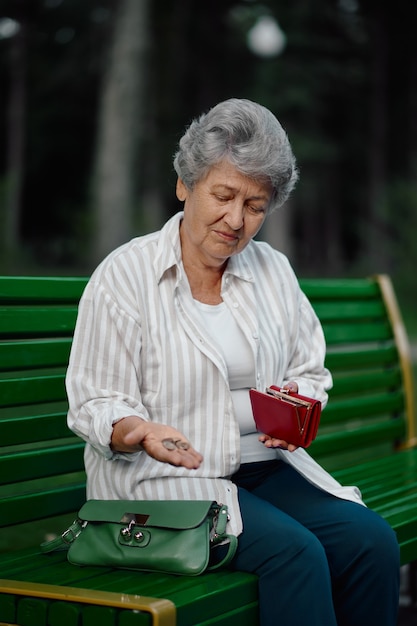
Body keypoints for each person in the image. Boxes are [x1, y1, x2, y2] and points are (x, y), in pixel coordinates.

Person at [66, 98, 400, 626]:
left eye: (256, 205)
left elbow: (308, 370)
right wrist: (140, 430)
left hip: (265, 470)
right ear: (185, 185)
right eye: (223, 195)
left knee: (371, 542)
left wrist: (297, 411)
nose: (236, 219)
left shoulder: (272, 270)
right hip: (162, 482)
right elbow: (94, 400)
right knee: (296, 555)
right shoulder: (125, 276)